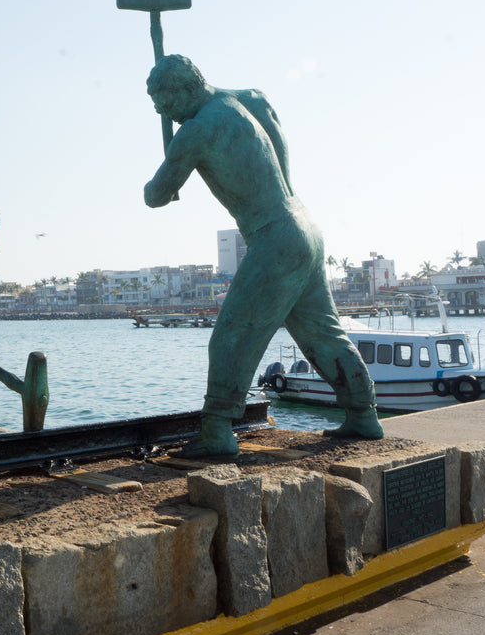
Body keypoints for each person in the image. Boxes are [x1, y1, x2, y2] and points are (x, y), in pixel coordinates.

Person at [142, 55, 383, 457]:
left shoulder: (196, 131)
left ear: (183, 90)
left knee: (231, 336)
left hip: (274, 238)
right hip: (305, 226)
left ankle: (217, 430)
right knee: (322, 332)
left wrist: (172, 158)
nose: (161, 112)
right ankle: (363, 413)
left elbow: (156, 196)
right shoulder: (247, 99)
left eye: (163, 103)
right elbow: (265, 114)